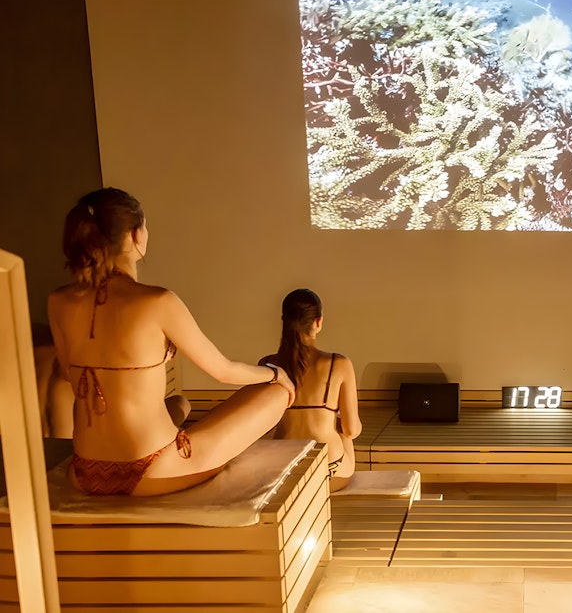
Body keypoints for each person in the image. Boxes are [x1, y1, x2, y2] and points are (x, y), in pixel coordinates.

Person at [48, 187, 295, 496]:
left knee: (179, 404)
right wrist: (275, 373)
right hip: (151, 471)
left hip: (85, 471)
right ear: (136, 235)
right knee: (275, 394)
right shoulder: (158, 301)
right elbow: (224, 372)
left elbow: (67, 375)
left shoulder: (58, 301)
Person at [260, 289, 362, 492]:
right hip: (330, 470)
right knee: (344, 430)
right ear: (318, 321)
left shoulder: (268, 364)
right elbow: (352, 430)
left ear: (284, 322)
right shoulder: (338, 363)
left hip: (284, 469)